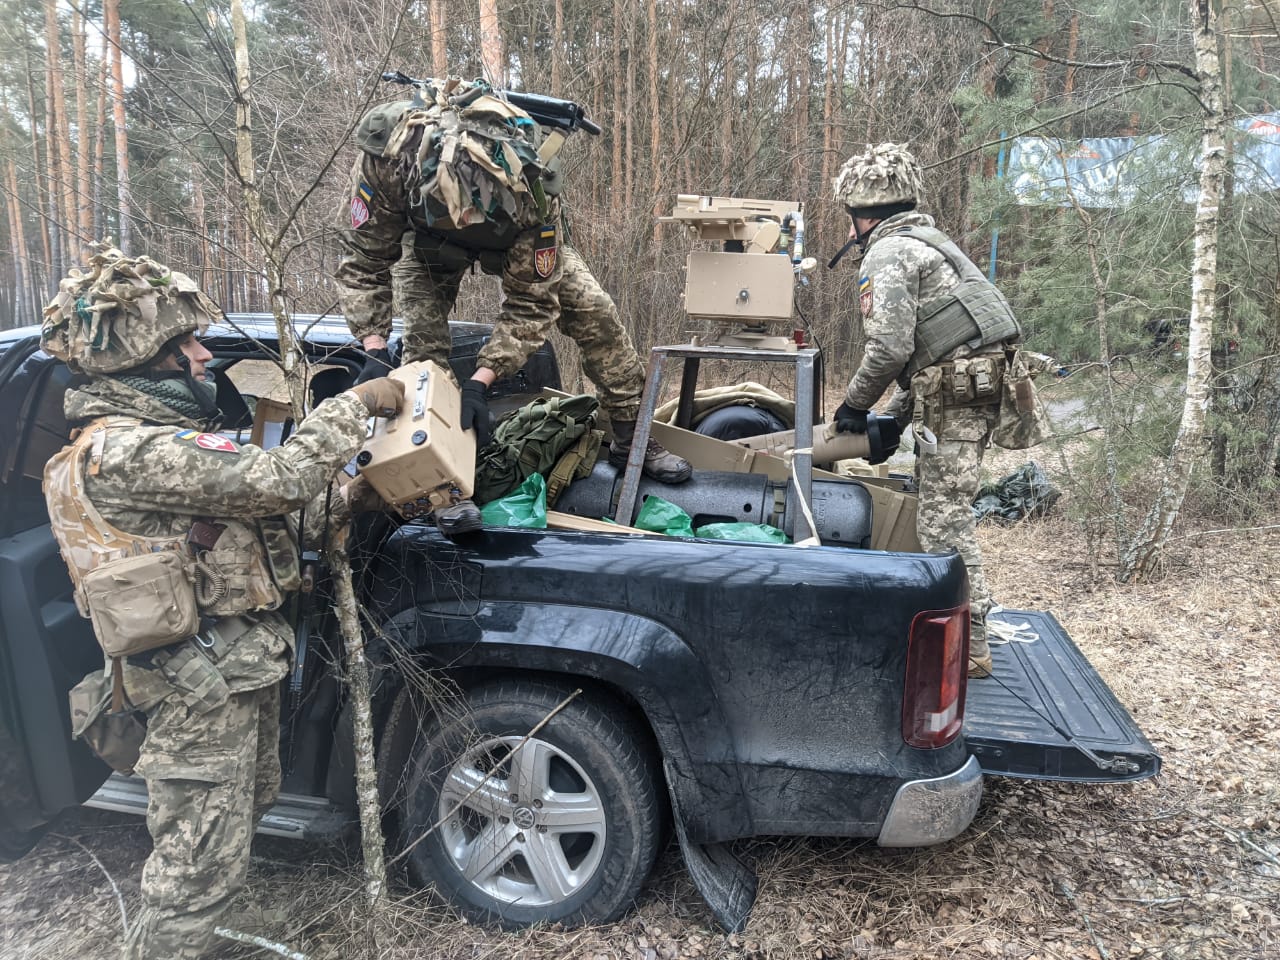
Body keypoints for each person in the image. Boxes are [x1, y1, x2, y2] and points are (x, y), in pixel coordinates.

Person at [40, 246, 404, 959]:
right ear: (144, 361)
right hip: (194, 690)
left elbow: (254, 522)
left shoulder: (161, 446)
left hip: (229, 677)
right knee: (190, 877)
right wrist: (355, 404)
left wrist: (360, 496)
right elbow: (271, 480)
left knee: (232, 831)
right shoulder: (127, 451)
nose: (205, 357)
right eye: (188, 345)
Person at [334, 76, 690, 537]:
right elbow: (364, 261)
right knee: (423, 356)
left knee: (596, 313)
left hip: (513, 241)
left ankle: (631, 440)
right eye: (456, 208)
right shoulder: (391, 155)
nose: (464, 219)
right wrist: (373, 347)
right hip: (425, 246)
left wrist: (483, 381)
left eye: (473, 211)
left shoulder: (533, 189)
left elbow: (531, 304)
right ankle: (441, 488)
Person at [829, 143, 1025, 679]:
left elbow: (889, 348)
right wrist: (897, 412)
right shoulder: (931, 242)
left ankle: (974, 645)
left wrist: (853, 405)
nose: (849, 233)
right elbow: (939, 346)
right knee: (945, 511)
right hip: (964, 389)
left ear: (862, 215)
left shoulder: (889, 252)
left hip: (959, 398)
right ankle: (967, 630)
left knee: (944, 520)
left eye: (850, 222)